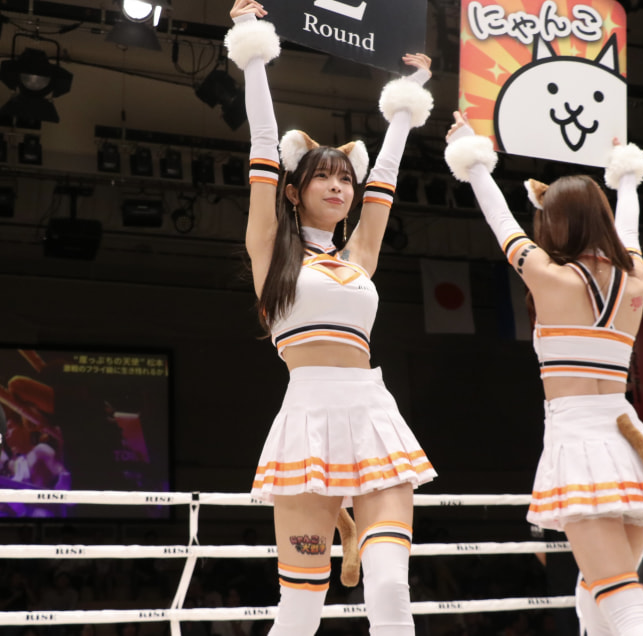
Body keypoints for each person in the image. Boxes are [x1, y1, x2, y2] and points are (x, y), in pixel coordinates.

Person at [443, 113, 643, 636]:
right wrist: (627, 178)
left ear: (555, 221)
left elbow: (500, 218)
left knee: (617, 591)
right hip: (631, 442)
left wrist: (472, 157)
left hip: (581, 440)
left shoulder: (547, 274)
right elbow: (629, 228)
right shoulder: (636, 277)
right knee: (597, 588)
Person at [225, 2, 437, 635]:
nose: (340, 187)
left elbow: (387, 178)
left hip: (374, 418)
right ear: (295, 190)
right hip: (306, 424)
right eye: (324, 178)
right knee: (300, 608)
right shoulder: (270, 250)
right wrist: (253, 51)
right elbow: (263, 144)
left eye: (346, 179)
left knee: (391, 588)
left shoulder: (359, 255)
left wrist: (406, 104)